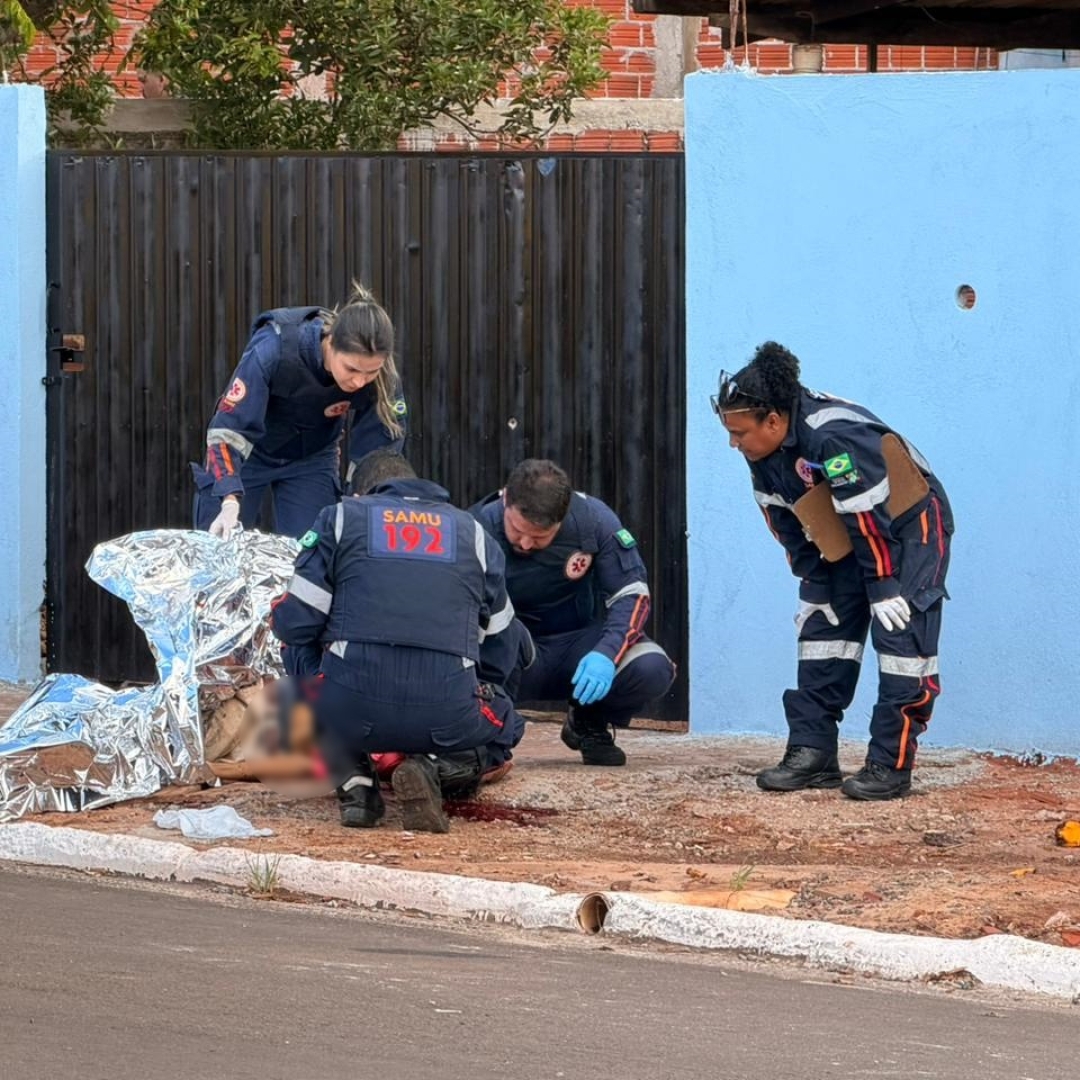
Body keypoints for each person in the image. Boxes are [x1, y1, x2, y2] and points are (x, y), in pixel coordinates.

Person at [712, 342, 953, 801]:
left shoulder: (833, 435)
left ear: (774, 421)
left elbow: (867, 513)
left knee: (902, 641)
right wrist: (812, 581)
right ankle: (812, 752)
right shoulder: (761, 454)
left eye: (740, 433)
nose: (733, 443)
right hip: (846, 533)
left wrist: (883, 585)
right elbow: (785, 519)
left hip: (906, 528)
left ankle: (890, 764)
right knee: (824, 630)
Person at [270, 449, 526, 833]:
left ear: (360, 496)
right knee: (506, 720)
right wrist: (472, 689)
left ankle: (356, 786)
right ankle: (433, 769)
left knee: (295, 654)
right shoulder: (473, 532)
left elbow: (294, 625)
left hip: (350, 711)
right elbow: (503, 642)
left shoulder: (340, 519)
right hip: (446, 716)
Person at [471, 459, 675, 767]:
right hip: (513, 650)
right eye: (517, 529)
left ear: (562, 519)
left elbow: (633, 594)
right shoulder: (475, 527)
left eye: (540, 537)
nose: (526, 543)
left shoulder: (594, 521)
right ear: (505, 500)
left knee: (653, 668)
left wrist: (606, 654)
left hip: (580, 646)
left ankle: (588, 721)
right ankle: (492, 741)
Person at [192, 282, 407, 540]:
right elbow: (227, 431)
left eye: (370, 372)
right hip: (249, 455)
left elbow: (379, 452)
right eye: (351, 369)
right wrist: (228, 500)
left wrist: (365, 498)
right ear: (331, 343)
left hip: (312, 459)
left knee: (313, 554)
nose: (360, 382)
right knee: (215, 545)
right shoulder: (274, 349)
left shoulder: (382, 376)